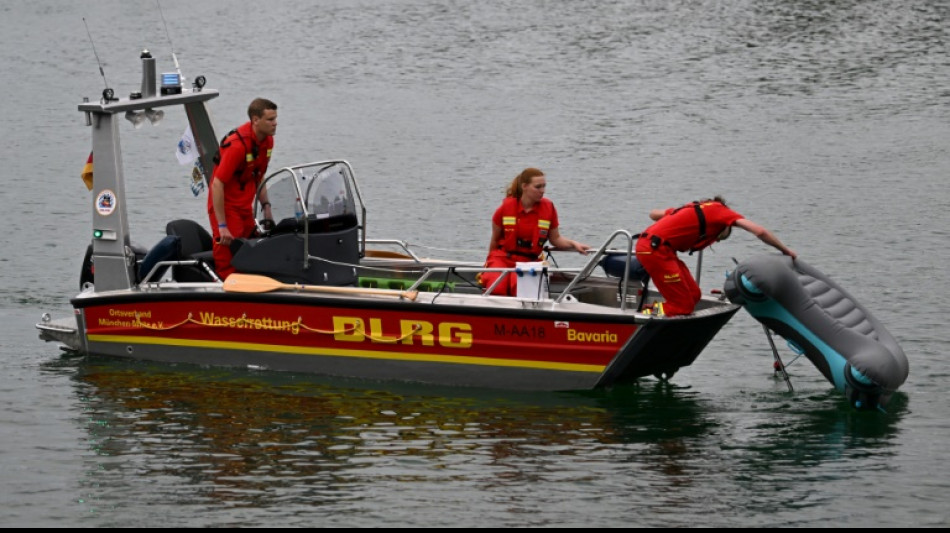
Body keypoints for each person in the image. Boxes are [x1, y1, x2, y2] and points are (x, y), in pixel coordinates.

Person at [635, 196, 797, 316]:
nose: (716, 241)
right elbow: (760, 231)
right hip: (654, 250)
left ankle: (665, 312)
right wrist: (785, 250)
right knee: (683, 306)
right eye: (720, 237)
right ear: (725, 226)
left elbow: (653, 214)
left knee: (694, 295)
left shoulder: (694, 209)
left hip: (661, 249)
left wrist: (675, 219)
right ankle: (649, 311)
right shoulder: (723, 214)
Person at [480, 168, 590, 296]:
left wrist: (573, 244)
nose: (543, 190)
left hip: (529, 261)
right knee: (497, 288)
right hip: (503, 258)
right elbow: (494, 240)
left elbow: (555, 239)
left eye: (544, 186)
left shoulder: (548, 208)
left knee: (522, 291)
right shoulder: (505, 208)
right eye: (538, 187)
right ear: (525, 187)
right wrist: (488, 266)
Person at [208, 98, 277, 279]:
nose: (275, 123)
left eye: (275, 119)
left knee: (254, 244)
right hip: (225, 204)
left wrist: (267, 207)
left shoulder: (268, 142)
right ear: (255, 120)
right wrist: (222, 226)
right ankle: (226, 284)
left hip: (244, 204)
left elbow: (259, 174)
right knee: (228, 247)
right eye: (270, 120)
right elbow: (217, 184)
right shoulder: (237, 146)